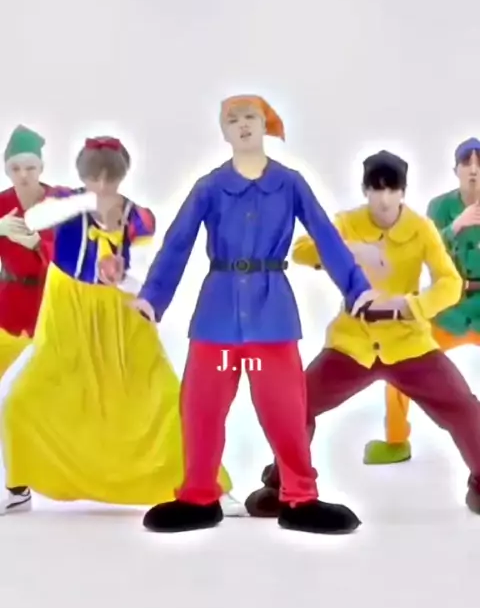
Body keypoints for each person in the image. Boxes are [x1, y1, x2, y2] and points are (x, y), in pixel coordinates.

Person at [132, 94, 376, 535]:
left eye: (250, 117)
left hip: (271, 314)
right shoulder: (209, 186)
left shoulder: (290, 183)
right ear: (223, 131)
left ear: (265, 125)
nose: (242, 124)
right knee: (201, 408)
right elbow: (178, 242)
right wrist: (154, 296)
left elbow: (326, 236)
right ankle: (198, 496)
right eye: (233, 119)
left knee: (285, 409)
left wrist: (357, 288)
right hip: (217, 315)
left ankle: (300, 497)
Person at [0, 135, 235, 515]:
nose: (102, 185)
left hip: (122, 316)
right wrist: (82, 203)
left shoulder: (138, 216)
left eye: (110, 178)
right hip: (69, 310)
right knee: (24, 399)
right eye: (94, 177)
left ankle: (210, 485)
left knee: (162, 399)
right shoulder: (64, 203)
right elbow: (35, 221)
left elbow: (145, 267)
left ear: (121, 176)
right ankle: (18, 487)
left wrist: (123, 274)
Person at [245, 150, 480, 518]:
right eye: (376, 189)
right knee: (295, 404)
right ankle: (285, 482)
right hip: (352, 344)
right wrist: (349, 251)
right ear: (365, 190)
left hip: (408, 343)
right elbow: (302, 250)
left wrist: (412, 305)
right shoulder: (348, 222)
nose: (384, 199)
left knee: (463, 406)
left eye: (392, 190)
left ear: (402, 192)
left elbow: (449, 283)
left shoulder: (420, 228)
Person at [364, 138, 480, 464]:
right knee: (401, 358)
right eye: (467, 162)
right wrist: (455, 226)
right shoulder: (440, 207)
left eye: (479, 162)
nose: (474, 169)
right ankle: (396, 440)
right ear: (456, 170)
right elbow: (421, 251)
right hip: (450, 307)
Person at [0, 125, 73, 511]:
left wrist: (38, 242)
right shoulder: (1, 203)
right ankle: (18, 489)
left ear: (41, 167)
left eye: (30, 167)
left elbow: (81, 252)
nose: (24, 175)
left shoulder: (61, 201)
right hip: (9, 308)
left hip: (53, 310)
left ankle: (24, 485)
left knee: (26, 400)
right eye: (15, 169)